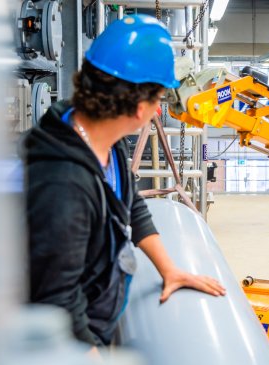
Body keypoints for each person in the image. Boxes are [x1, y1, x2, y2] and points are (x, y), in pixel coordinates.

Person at [24, 15, 226, 347]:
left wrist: (170, 269)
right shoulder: (62, 187)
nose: (158, 110)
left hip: (98, 318)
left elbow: (130, 203)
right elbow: (58, 303)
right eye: (159, 100)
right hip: (73, 347)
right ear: (138, 108)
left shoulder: (102, 137)